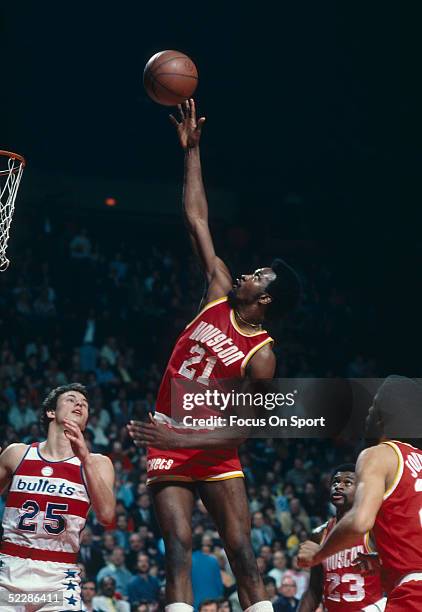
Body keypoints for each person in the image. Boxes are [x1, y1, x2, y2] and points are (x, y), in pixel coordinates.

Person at [127, 99, 301, 612]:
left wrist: (182, 434)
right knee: (176, 549)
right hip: (170, 435)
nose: (248, 272)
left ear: (265, 299)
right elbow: (197, 216)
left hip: (212, 445)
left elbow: (241, 430)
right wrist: (192, 153)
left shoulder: (262, 356)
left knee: (242, 552)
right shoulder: (220, 289)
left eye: (259, 275)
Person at [298, 376, 422, 611]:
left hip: (413, 592)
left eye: (372, 407)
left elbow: (359, 521)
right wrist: (383, 560)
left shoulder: (378, 454)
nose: (367, 415)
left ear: (383, 416)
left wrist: (319, 554)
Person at [0, 382, 115, 611]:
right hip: (9, 568)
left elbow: (107, 517)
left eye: (84, 404)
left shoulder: (98, 463)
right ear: (51, 412)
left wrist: (85, 459)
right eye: (71, 399)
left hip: (59, 574)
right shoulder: (17, 453)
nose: (80, 404)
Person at [298, 464, 384, 611]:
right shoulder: (319, 534)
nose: (338, 486)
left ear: (361, 490)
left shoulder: (373, 528)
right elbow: (314, 590)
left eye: (347, 482)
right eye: (335, 482)